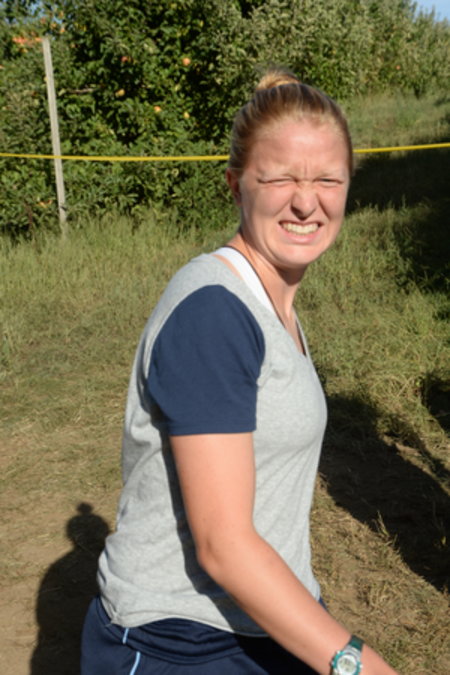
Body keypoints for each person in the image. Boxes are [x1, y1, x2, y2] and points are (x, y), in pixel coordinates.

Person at [81, 68, 398, 675]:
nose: (306, 201)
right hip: (180, 641)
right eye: (280, 178)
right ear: (236, 185)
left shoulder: (271, 301)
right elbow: (224, 546)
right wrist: (357, 664)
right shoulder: (214, 313)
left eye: (327, 179)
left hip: (257, 621)